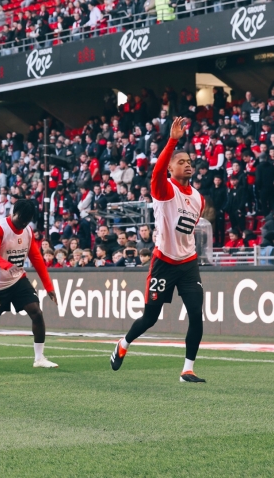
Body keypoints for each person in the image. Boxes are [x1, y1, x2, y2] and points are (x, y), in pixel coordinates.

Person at [110, 117, 207, 383]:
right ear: (171, 168)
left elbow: (188, 229)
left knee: (196, 314)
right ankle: (124, 342)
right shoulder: (164, 189)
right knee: (150, 318)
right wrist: (172, 140)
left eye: (189, 161)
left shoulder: (199, 198)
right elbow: (157, 171)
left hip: (188, 263)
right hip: (163, 261)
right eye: (181, 161)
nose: (187, 164)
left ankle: (187, 369)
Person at [0, 199, 58, 368]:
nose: (23, 224)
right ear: (14, 213)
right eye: (22, 220)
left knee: (36, 312)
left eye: (27, 221)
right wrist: (8, 266)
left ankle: (39, 358)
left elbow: (36, 258)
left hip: (17, 279)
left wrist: (48, 286)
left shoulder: (27, 230)